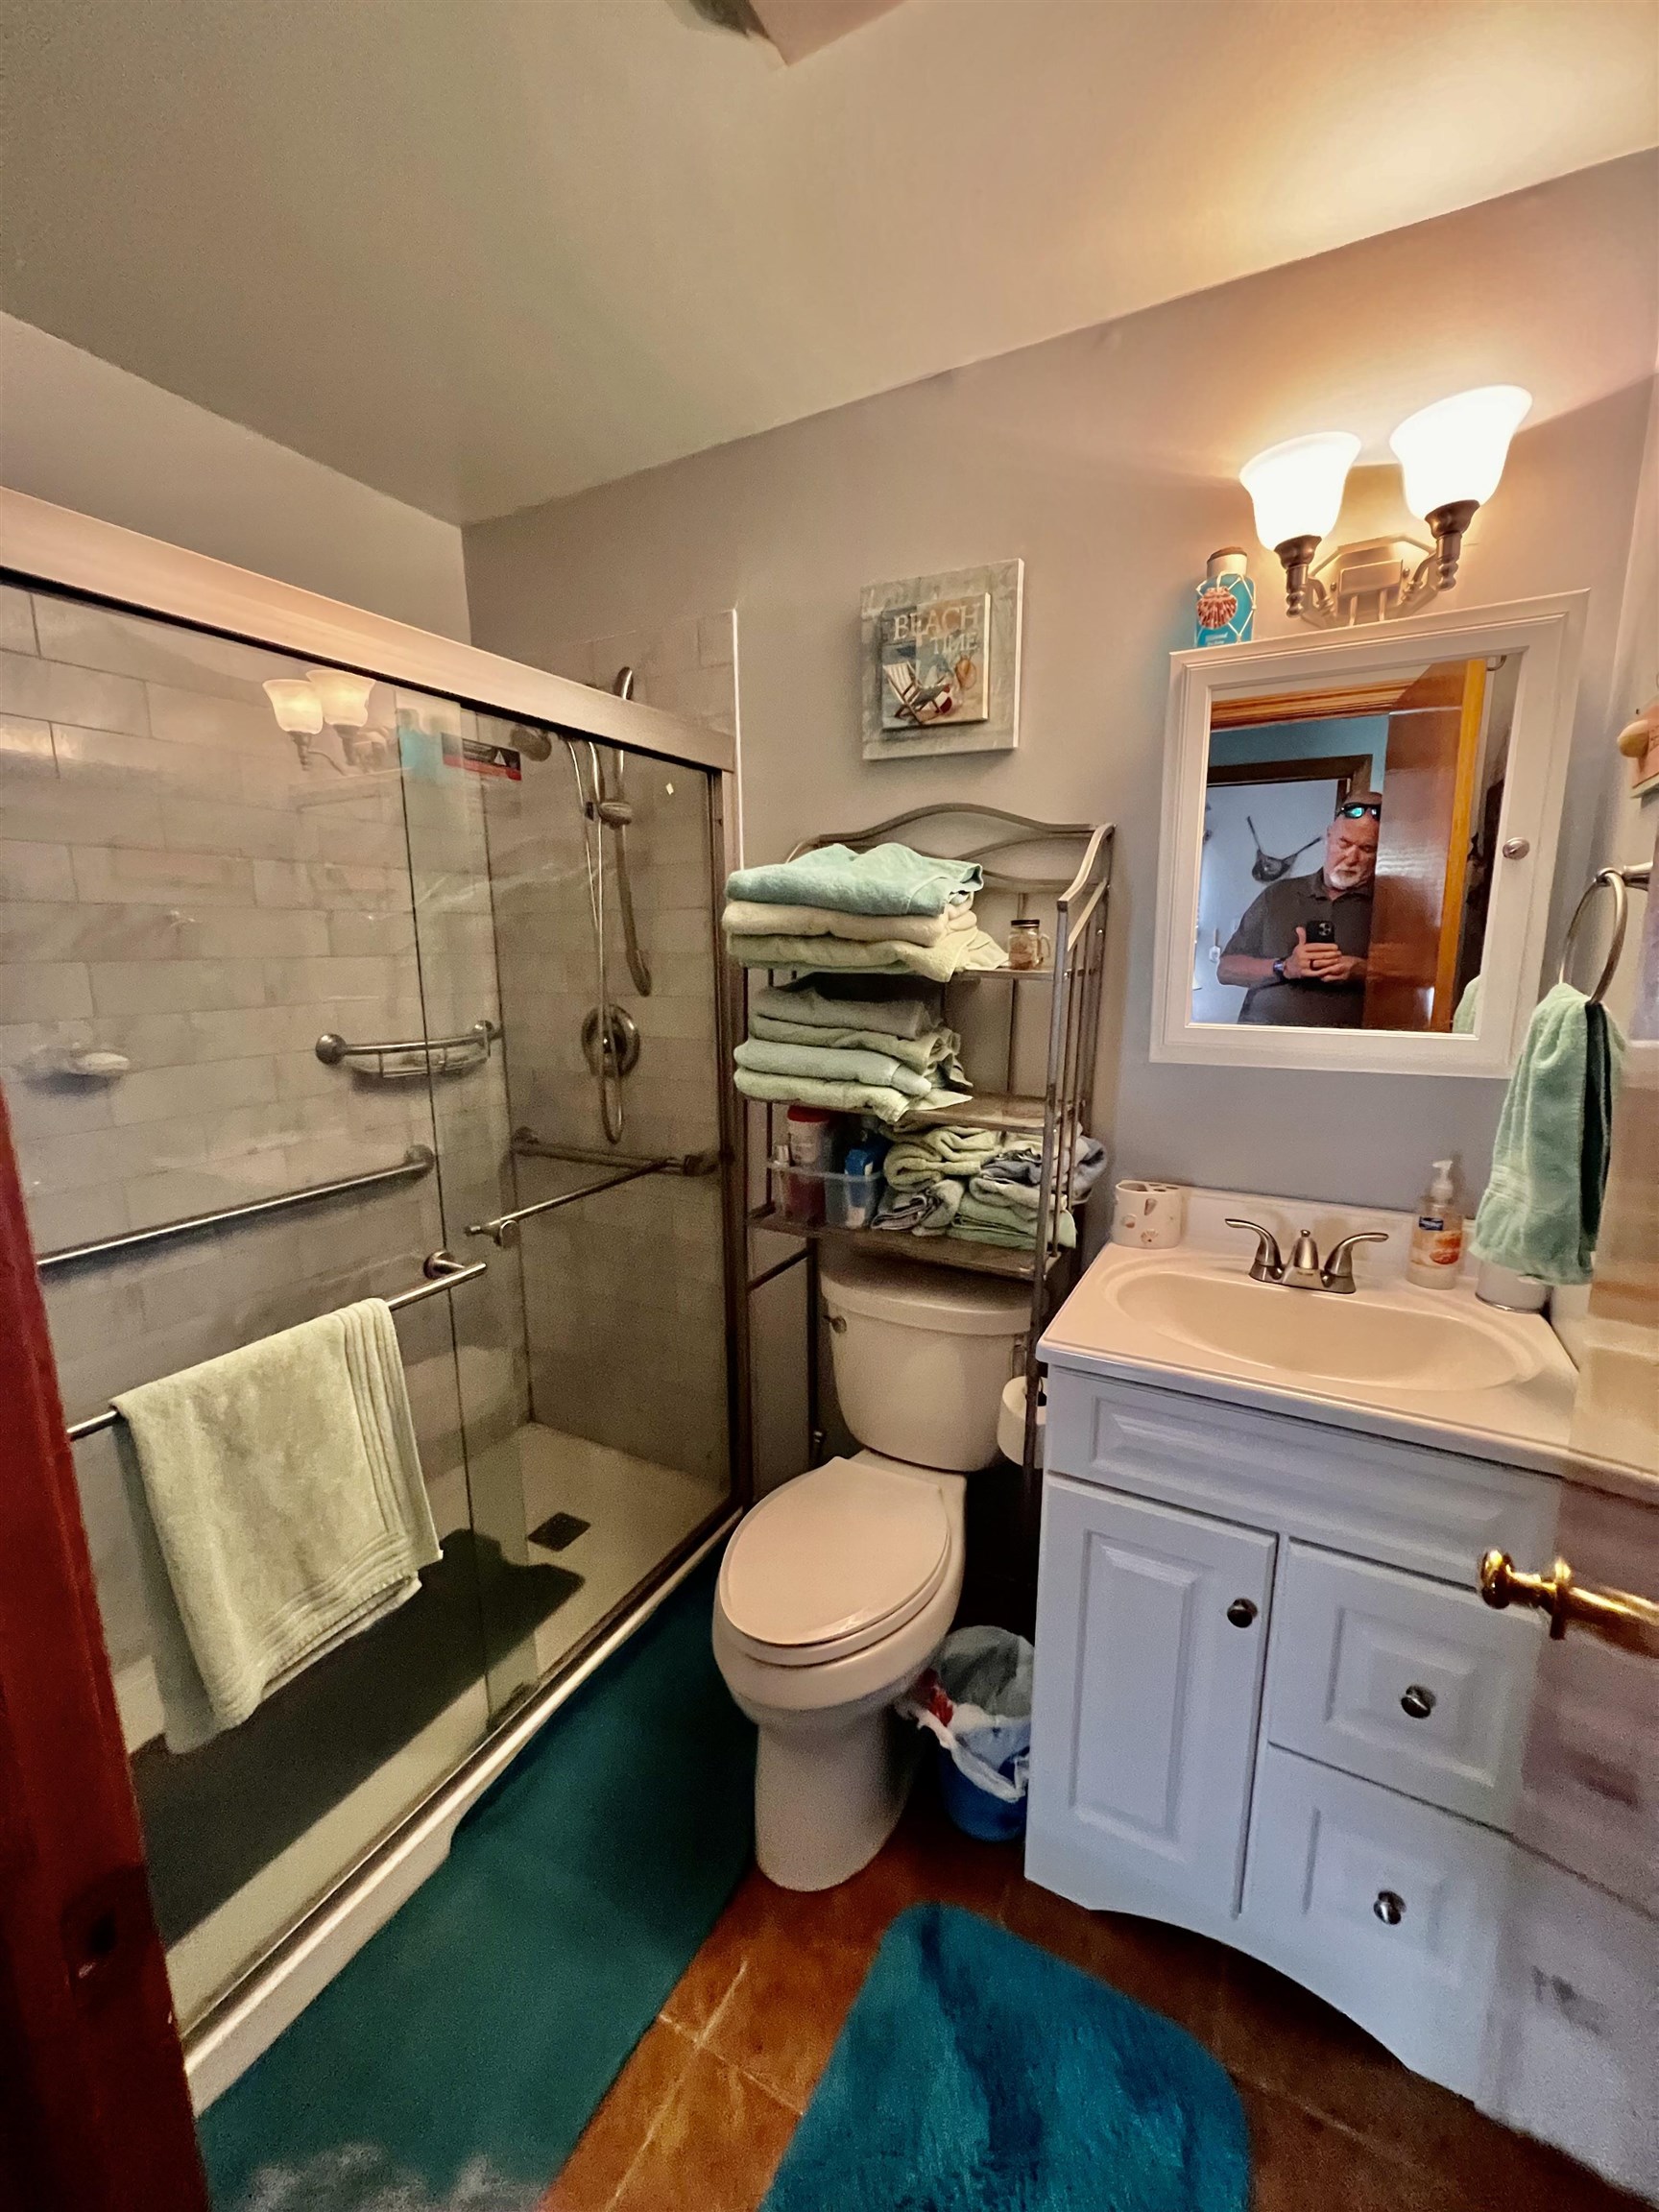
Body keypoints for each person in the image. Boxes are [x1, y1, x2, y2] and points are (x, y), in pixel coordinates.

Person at [1216, 794, 1380, 1026]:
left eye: (1367, 848)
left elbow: (1415, 981)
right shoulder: (1278, 894)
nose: (1351, 857)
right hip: (1262, 1046)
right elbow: (1226, 970)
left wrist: (1362, 971)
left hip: (1344, 1054)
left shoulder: (1391, 907)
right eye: (1344, 843)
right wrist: (1284, 967)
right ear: (1328, 836)